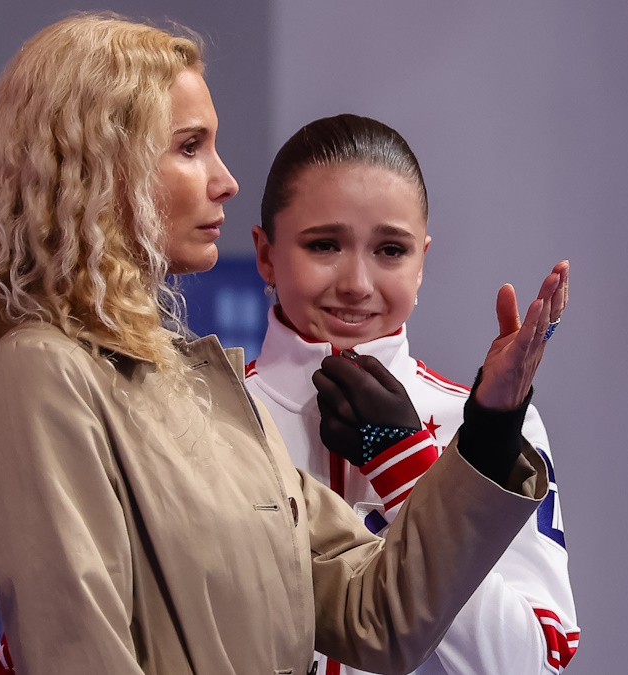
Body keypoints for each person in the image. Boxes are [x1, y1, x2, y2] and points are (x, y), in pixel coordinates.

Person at [0, 14, 568, 675]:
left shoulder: (199, 389)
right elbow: (78, 651)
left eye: (390, 248)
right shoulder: (39, 372)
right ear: (101, 168)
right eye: (189, 147)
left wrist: (490, 428)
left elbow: (378, 615)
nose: (226, 180)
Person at [245, 114, 578, 675]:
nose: (356, 282)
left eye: (391, 251)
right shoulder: (203, 417)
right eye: (324, 244)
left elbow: (530, 664)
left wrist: (410, 468)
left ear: (423, 262)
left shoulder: (487, 432)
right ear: (266, 254)